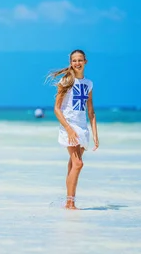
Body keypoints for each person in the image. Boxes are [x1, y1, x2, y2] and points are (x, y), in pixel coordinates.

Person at [48, 50, 99, 209]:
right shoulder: (66, 81)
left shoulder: (89, 84)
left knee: (72, 165)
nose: (77, 63)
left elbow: (91, 112)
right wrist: (69, 129)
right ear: (71, 63)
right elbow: (56, 109)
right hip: (68, 126)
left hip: (82, 127)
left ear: (85, 62)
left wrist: (96, 135)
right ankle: (70, 202)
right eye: (74, 60)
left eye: (80, 60)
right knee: (78, 164)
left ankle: (69, 202)